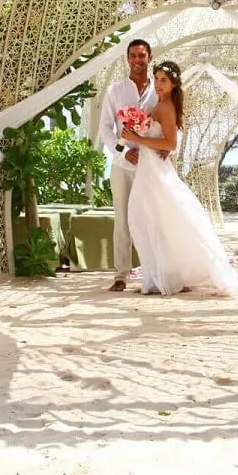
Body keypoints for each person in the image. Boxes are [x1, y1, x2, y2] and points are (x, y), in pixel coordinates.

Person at [120, 60, 238, 298]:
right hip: (149, 170)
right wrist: (135, 132)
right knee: (151, 221)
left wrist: (139, 139)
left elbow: (170, 143)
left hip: (156, 174)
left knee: (155, 220)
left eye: (164, 80)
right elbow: (160, 141)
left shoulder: (167, 107)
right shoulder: (158, 104)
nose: (158, 84)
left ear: (173, 84)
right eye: (157, 78)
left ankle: (164, 277)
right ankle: (160, 275)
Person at [98, 39, 159, 292]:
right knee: (122, 220)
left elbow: (171, 124)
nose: (137, 60)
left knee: (153, 220)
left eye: (141, 55)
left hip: (152, 166)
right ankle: (121, 275)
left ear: (149, 57)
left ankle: (155, 273)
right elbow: (105, 128)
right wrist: (123, 152)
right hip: (123, 167)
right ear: (127, 58)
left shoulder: (160, 89)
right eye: (132, 55)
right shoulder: (115, 90)